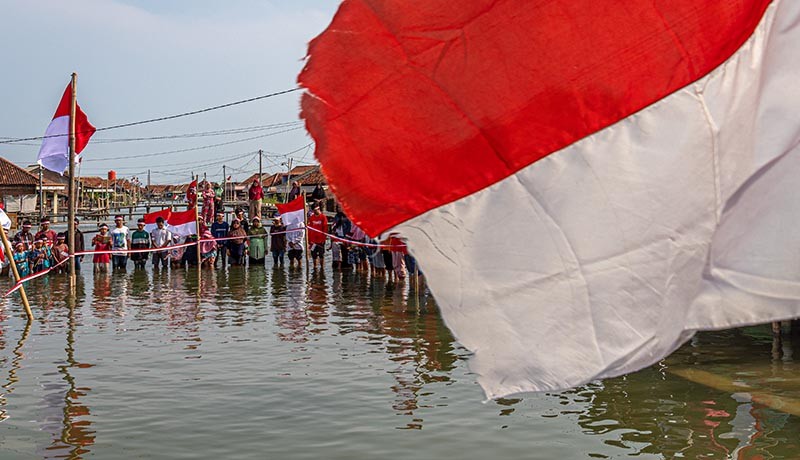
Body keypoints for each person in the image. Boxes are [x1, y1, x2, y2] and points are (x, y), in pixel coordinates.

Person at [307, 205, 328, 269]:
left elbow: (325, 229)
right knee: (314, 255)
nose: (315, 211)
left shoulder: (323, 217)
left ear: (319, 209)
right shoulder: (312, 217)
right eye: (314, 210)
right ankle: (315, 267)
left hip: (321, 240)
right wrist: (309, 240)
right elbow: (309, 229)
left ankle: (322, 268)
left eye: (316, 210)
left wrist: (323, 239)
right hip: (313, 241)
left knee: (321, 255)